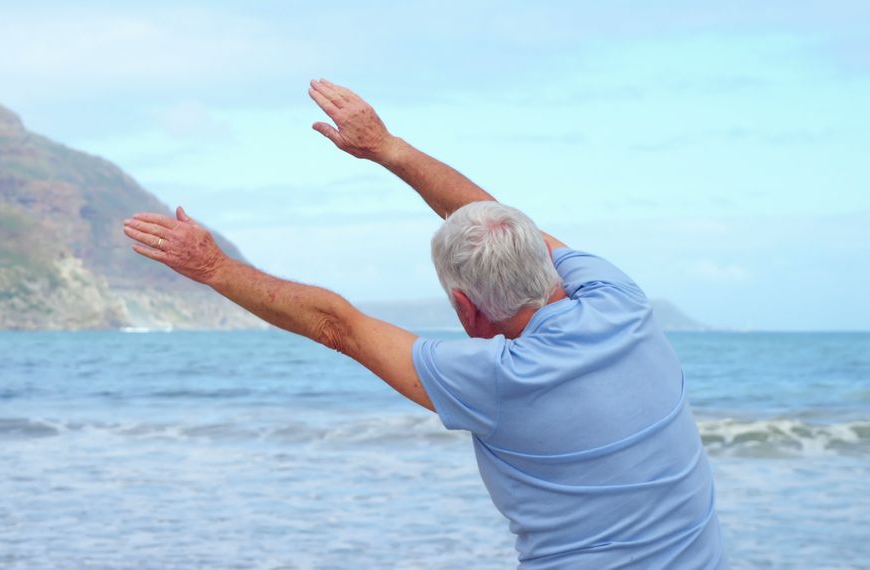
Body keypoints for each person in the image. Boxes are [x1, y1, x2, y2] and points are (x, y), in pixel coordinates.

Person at [121, 79, 726, 569]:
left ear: (465, 308)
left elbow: (338, 326)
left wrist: (213, 268)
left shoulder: (499, 378)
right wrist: (389, 148)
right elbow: (498, 222)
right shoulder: (620, 298)